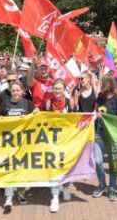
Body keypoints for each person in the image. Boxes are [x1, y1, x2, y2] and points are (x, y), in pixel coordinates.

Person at [0, 81, 35, 213]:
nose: (15, 92)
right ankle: (8, 198)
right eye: (13, 90)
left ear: (22, 91)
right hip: (9, 143)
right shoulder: (5, 104)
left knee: (23, 169)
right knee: (9, 169)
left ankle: (20, 193)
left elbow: (35, 120)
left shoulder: (28, 104)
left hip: (24, 143)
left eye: (17, 90)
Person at [93, 76, 117, 201]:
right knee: (98, 161)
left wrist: (107, 117)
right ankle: (102, 185)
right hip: (98, 134)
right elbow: (95, 111)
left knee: (112, 164)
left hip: (112, 135)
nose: (102, 87)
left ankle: (112, 188)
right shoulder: (100, 97)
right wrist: (97, 115)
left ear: (109, 85)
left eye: (103, 85)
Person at [44, 79, 72, 213]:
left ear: (64, 89)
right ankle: (54, 197)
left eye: (60, 88)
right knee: (54, 167)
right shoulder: (48, 103)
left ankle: (65, 188)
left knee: (65, 166)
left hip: (66, 139)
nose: (57, 91)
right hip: (52, 141)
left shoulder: (69, 102)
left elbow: (77, 119)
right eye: (55, 88)